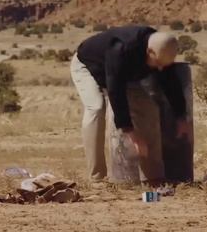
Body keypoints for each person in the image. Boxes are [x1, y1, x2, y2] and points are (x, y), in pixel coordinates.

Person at [70, 25, 190, 185]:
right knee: (96, 107)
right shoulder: (120, 50)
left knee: (147, 108)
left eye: (164, 65)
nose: (160, 68)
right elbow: (115, 91)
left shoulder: (160, 48)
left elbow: (171, 84)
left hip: (124, 73)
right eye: (158, 63)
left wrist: (181, 117)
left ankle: (154, 178)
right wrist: (131, 133)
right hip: (88, 66)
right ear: (150, 52)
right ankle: (97, 177)